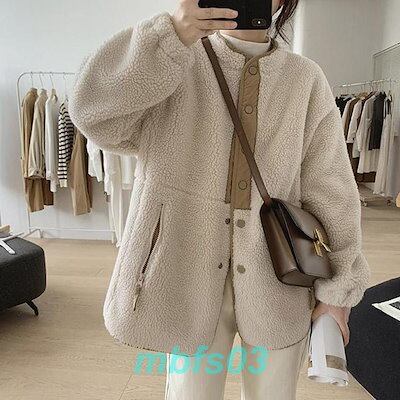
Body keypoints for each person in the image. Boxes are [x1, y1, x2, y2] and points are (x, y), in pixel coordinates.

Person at [68, 1, 370, 398]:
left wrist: (337, 293)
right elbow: (92, 113)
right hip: (182, 271)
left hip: (279, 277)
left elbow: (332, 190)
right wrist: (170, 34)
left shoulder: (305, 79)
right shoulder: (175, 59)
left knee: (273, 395)